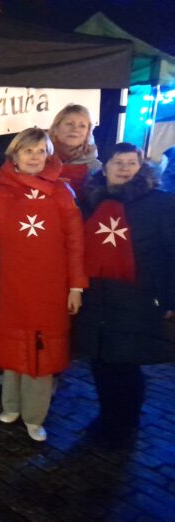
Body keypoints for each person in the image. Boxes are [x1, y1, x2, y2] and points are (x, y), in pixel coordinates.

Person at [0, 128, 87, 442]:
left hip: (50, 289)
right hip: (10, 286)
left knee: (42, 352)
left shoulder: (62, 193)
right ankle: (11, 406)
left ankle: (34, 415)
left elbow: (75, 242)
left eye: (41, 151)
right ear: (14, 155)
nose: (34, 157)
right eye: (28, 150)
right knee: (12, 347)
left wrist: (76, 286)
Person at [75, 142, 175, 449]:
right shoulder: (91, 201)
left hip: (137, 297)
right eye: (118, 162)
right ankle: (107, 416)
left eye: (131, 163)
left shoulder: (159, 203)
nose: (124, 168)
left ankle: (125, 424)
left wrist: (170, 298)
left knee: (125, 364)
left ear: (140, 167)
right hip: (98, 297)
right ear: (105, 167)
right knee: (100, 361)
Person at [48, 104, 102, 200]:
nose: (75, 129)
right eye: (69, 124)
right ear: (55, 129)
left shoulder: (96, 168)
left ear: (88, 133)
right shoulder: (38, 160)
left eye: (82, 126)